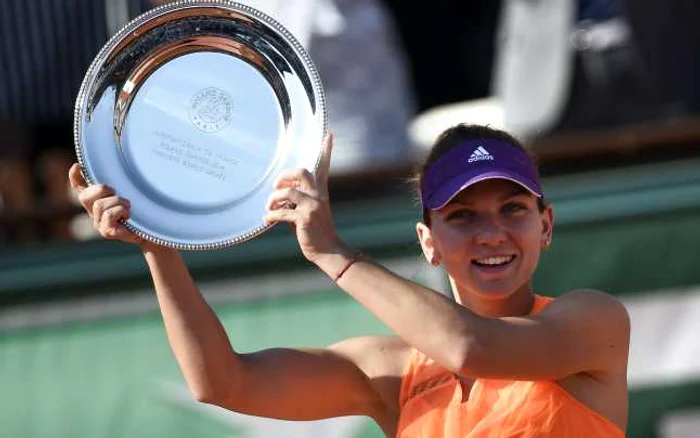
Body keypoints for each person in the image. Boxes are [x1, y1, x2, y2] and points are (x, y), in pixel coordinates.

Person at [68, 124, 630, 437]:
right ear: (427, 242)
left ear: (545, 224)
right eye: (462, 216)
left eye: (513, 209)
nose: (492, 234)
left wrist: (331, 252)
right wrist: (159, 248)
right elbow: (223, 383)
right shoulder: (389, 371)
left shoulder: (591, 322)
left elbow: (470, 346)